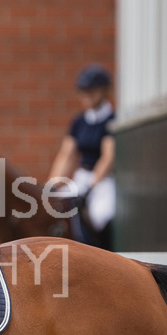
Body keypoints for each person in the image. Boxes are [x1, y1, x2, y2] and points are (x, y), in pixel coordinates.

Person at [48, 64, 116, 250]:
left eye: (91, 91)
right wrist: (53, 183)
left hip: (103, 180)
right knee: (57, 207)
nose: (87, 95)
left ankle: (107, 252)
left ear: (104, 91)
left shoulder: (111, 120)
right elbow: (67, 155)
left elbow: (108, 158)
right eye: (83, 91)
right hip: (82, 176)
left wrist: (91, 186)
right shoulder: (79, 122)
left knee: (101, 215)